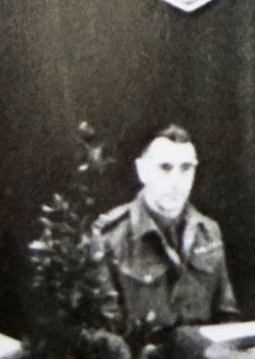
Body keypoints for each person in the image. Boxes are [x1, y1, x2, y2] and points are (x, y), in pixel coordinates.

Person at [95, 125, 239, 339]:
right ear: (142, 171)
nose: (176, 180)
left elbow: (227, 318)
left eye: (186, 168)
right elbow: (105, 335)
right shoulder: (109, 236)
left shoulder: (208, 231)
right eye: (165, 167)